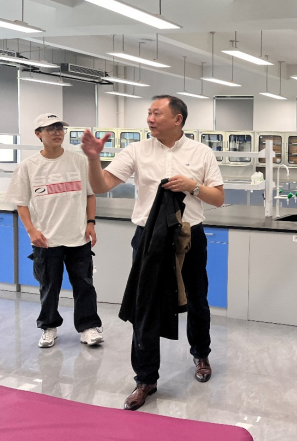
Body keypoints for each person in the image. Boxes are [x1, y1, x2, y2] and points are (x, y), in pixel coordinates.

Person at [80, 95, 225, 411]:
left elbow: (217, 198)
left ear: (177, 119)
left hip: (190, 236)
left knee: (197, 299)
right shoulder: (136, 150)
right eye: (148, 113)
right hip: (148, 238)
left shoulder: (201, 153)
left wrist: (192, 185)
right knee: (144, 306)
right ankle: (145, 379)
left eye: (157, 113)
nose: (150, 118)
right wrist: (93, 159)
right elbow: (102, 185)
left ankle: (201, 354)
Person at [5, 113, 103, 349]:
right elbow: (21, 203)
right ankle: (48, 327)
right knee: (49, 287)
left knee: (84, 285)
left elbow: (90, 194)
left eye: (60, 128)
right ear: (38, 134)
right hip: (46, 239)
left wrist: (91, 223)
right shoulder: (28, 166)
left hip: (78, 236)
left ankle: (88, 327)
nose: (57, 132)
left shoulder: (79, 161)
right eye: (50, 128)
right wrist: (31, 231)